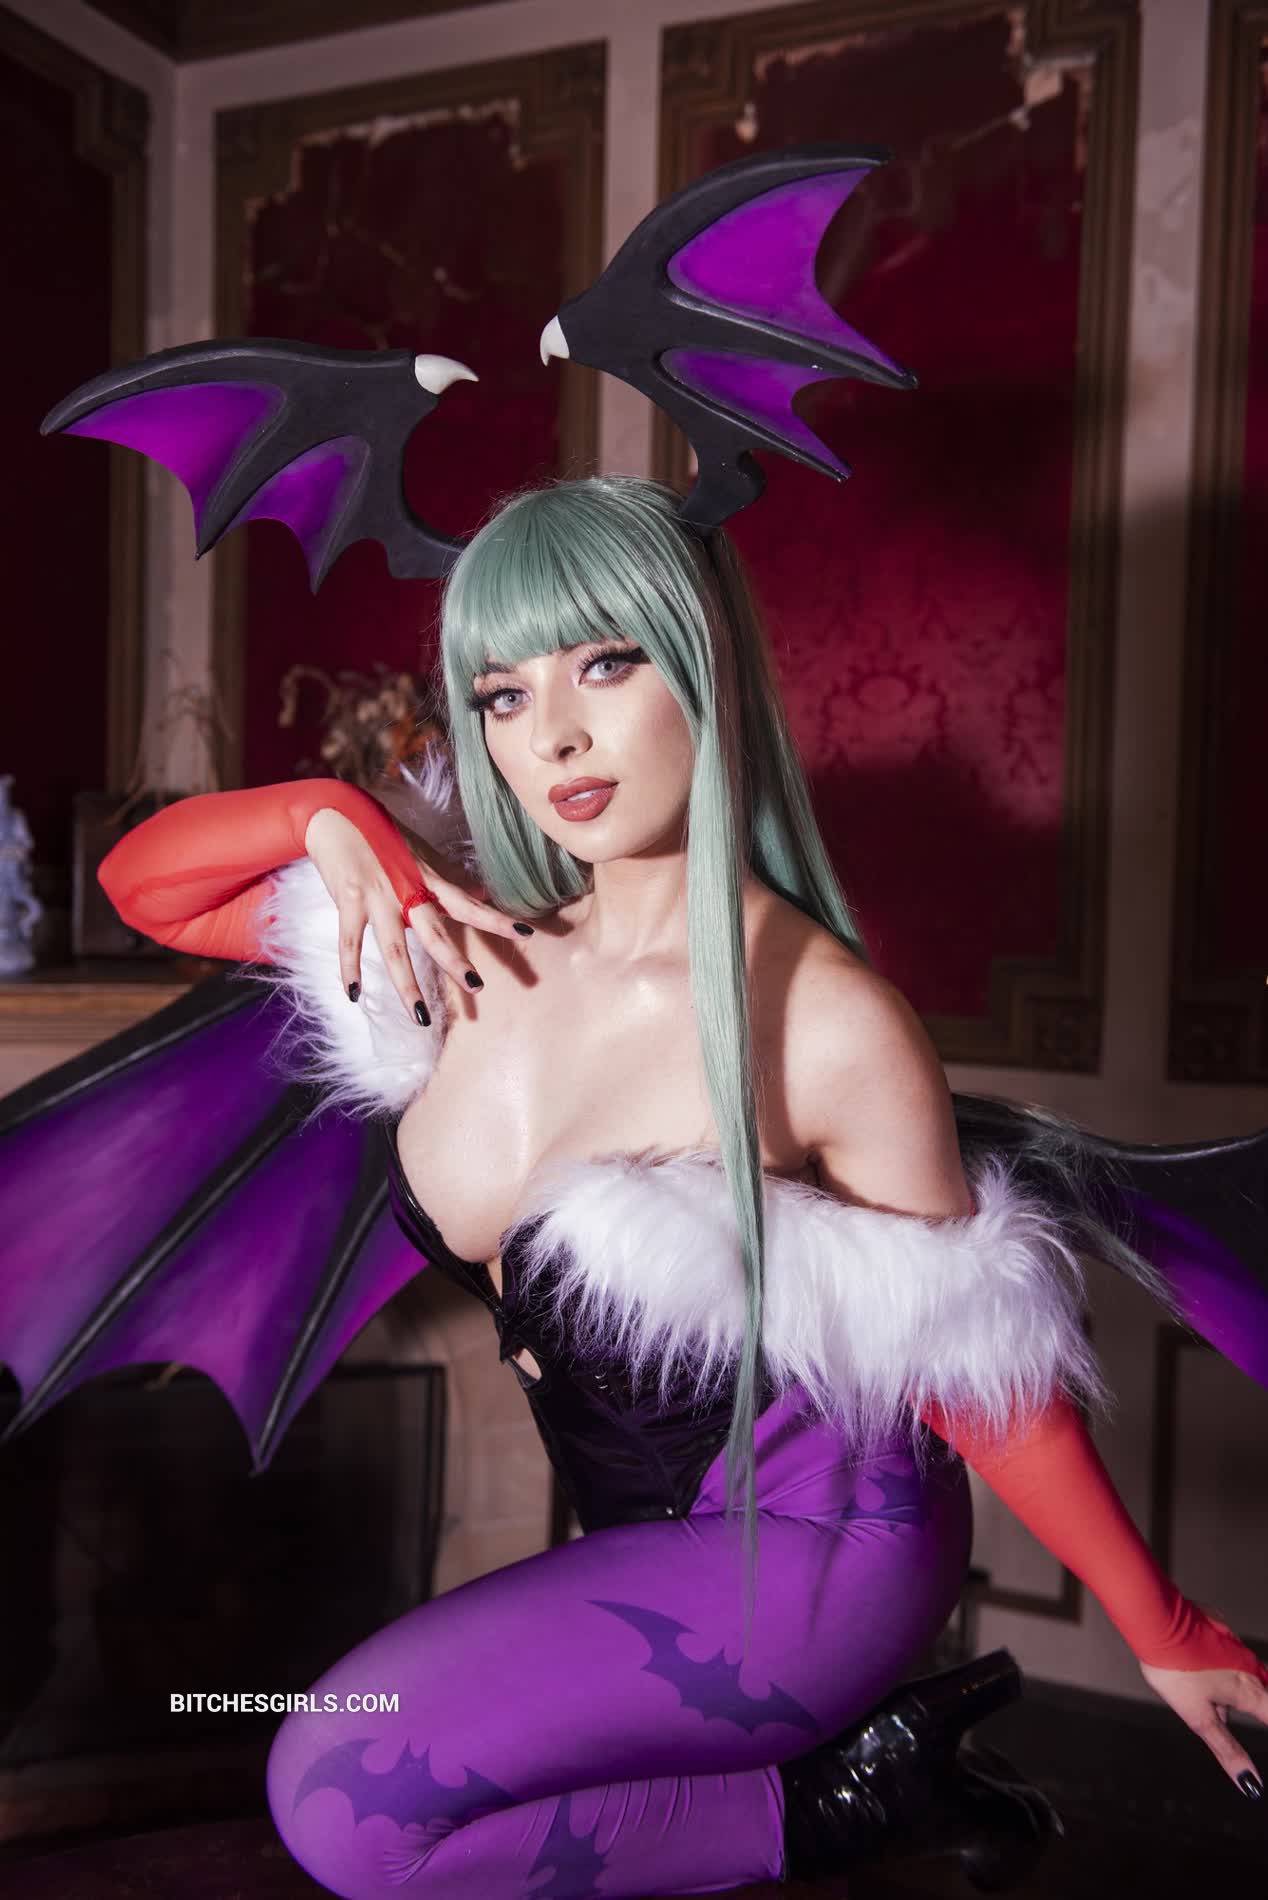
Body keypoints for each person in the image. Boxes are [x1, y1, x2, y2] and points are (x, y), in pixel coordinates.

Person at [92, 475, 1268, 1899]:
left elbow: (972, 1364)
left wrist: (1163, 1625)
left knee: (341, 1791)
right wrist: (324, 816)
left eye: (604, 664)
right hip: (649, 1543)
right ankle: (846, 1793)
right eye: (504, 693)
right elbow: (140, 887)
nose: (554, 736)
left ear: (703, 667)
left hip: (824, 1556)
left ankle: (850, 1801)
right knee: (364, 1775)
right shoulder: (464, 947)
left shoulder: (823, 1020)